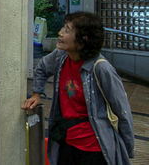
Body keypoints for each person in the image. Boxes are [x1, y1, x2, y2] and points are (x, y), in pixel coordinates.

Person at [21, 12, 134, 165]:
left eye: (67, 30)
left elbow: (122, 111)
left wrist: (126, 150)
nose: (60, 33)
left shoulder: (101, 68)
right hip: (65, 141)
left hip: (93, 148)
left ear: (83, 39)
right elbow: (41, 67)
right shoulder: (61, 56)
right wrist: (36, 94)